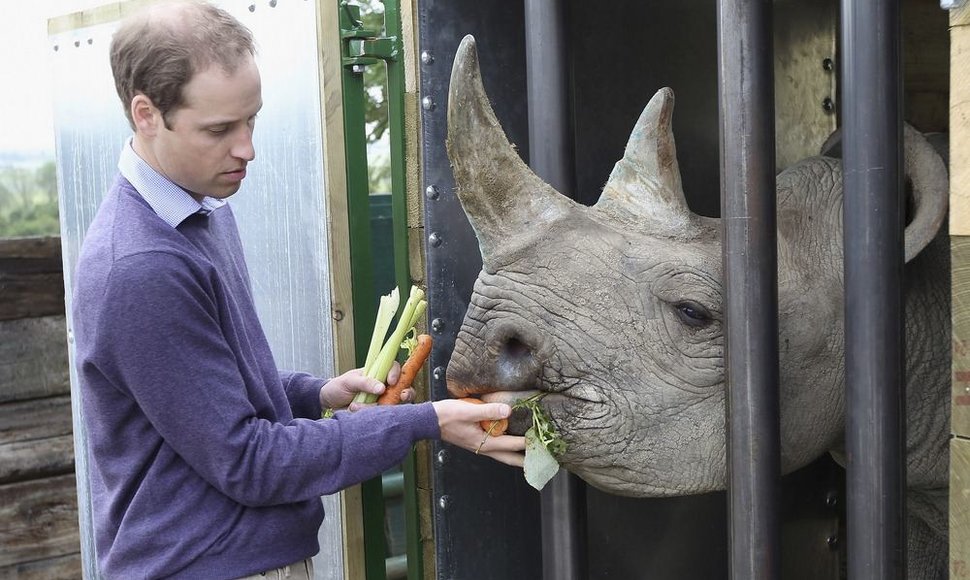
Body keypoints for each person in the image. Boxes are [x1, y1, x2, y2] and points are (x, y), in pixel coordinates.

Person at [71, 1, 525, 578]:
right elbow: (249, 462)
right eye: (220, 129)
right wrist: (424, 422)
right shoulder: (140, 267)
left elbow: (210, 392)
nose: (247, 149)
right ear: (146, 114)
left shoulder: (198, 209)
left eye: (251, 120)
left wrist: (315, 394)